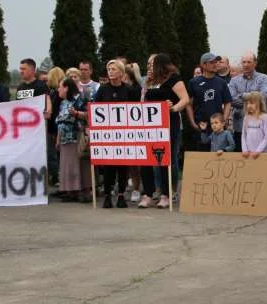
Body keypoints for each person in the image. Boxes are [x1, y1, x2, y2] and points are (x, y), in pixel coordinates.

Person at [139, 53, 190, 209]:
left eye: (151, 63)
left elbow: (185, 99)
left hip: (169, 123)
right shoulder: (149, 81)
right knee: (147, 159)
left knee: (165, 158)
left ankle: (166, 194)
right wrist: (145, 86)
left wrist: (173, 108)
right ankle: (148, 193)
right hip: (149, 124)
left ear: (160, 64)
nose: (148, 67)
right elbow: (142, 102)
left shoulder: (174, 79)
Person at [92, 59, 141, 208]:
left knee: (122, 166)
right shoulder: (102, 89)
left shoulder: (129, 90)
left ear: (121, 72)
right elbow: (96, 110)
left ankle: (121, 195)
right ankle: (107, 195)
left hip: (124, 134)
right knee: (108, 166)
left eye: (113, 69)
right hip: (108, 134)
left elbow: (136, 111)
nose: (110, 72)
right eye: (109, 69)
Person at [187, 52, 232, 152]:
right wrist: (193, 122)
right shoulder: (193, 82)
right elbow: (188, 104)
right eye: (212, 62)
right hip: (201, 125)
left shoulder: (222, 82)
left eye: (216, 62)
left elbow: (228, 102)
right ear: (203, 65)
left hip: (218, 126)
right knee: (201, 157)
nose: (216, 64)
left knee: (218, 156)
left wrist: (223, 120)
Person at [228, 51, 267, 152]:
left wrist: (242, 95)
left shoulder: (263, 78)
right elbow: (231, 99)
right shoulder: (234, 80)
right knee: (241, 154)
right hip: (239, 122)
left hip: (259, 123)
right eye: (243, 62)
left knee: (260, 155)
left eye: (249, 62)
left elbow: (263, 96)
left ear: (255, 63)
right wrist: (253, 98)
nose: (246, 65)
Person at [54, 78, 86, 202]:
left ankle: (76, 190)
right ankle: (68, 190)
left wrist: (76, 113)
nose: (58, 89)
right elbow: (60, 122)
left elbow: (86, 115)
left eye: (60, 87)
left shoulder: (78, 100)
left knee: (74, 165)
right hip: (64, 138)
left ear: (66, 88)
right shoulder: (63, 103)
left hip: (75, 136)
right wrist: (58, 139)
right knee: (65, 165)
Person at [240, 92, 267, 157]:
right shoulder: (246, 118)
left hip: (263, 154)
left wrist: (258, 151)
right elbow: (243, 135)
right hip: (249, 154)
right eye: (247, 103)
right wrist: (244, 149)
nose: (249, 106)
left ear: (259, 104)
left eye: (251, 103)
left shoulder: (265, 117)